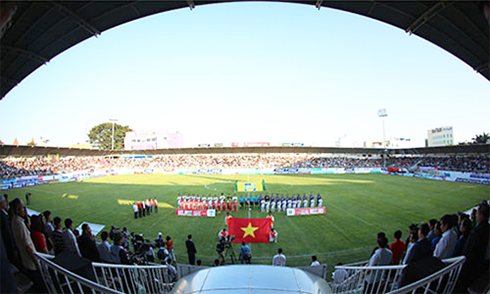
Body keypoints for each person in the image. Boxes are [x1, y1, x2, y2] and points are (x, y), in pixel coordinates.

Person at [10, 198, 45, 293]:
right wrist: (36, 261)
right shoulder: (19, 224)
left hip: (26, 261)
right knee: (41, 286)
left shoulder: (15, 221)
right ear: (17, 210)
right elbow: (27, 246)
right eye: (22, 208)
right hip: (31, 263)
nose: (25, 210)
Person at [457, 202, 489, 291]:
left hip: (470, 265)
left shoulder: (477, 232)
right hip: (478, 263)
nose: (476, 215)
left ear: (481, 215)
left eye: (477, 213)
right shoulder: (485, 227)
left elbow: (469, 250)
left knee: (463, 285)